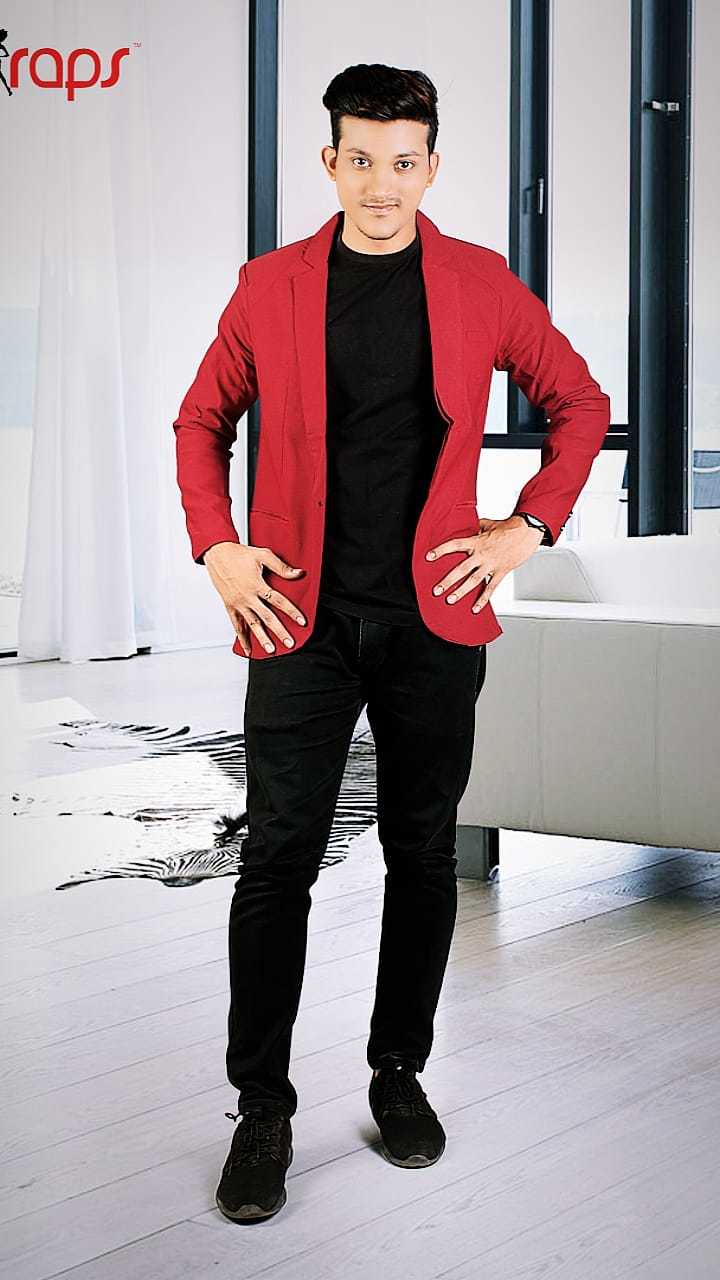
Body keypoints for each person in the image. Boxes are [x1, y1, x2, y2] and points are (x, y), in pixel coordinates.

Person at [173, 63, 611, 1223]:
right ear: (331, 162)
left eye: (403, 161)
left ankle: (398, 1070)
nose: (381, 183)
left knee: (422, 853)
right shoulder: (270, 285)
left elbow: (581, 402)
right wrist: (217, 545)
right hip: (296, 615)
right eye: (360, 159)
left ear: (431, 165)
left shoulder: (479, 281)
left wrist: (527, 528)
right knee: (278, 857)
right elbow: (201, 419)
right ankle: (262, 1107)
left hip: (433, 618)